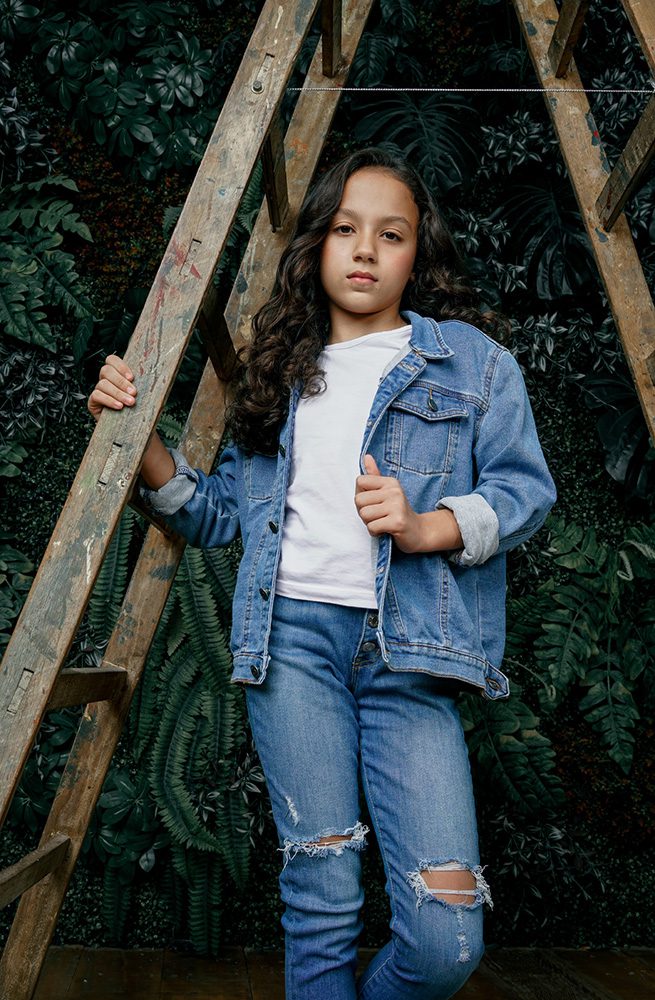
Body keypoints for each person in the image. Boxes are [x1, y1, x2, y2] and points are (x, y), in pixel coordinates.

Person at [88, 147, 556, 1000]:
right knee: (322, 898)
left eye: (391, 234)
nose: (366, 249)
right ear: (318, 244)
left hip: (410, 658)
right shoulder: (282, 370)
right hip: (292, 647)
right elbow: (218, 514)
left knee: (446, 937)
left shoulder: (474, 363)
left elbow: (525, 491)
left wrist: (426, 526)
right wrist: (137, 435)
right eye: (346, 228)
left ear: (418, 253)